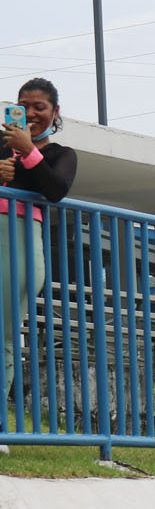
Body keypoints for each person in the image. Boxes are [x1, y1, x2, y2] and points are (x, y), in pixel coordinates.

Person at [1, 77, 77, 444]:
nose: (30, 113)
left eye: (40, 108)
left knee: (4, 338)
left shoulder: (60, 154)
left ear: (55, 113)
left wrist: (28, 150)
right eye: (22, 106)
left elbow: (56, 189)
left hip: (17, 244)